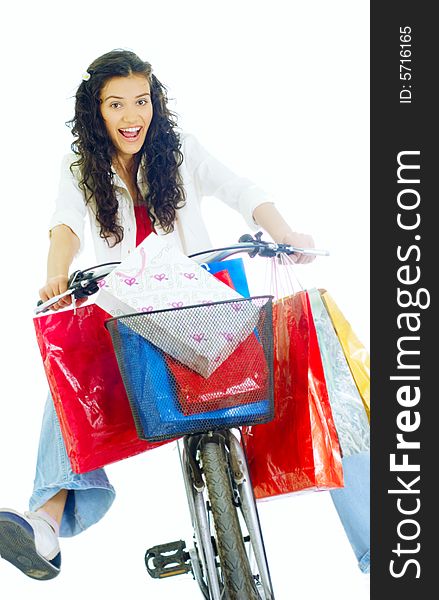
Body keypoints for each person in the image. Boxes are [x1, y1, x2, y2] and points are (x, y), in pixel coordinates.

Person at [0, 49, 315, 580]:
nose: (132, 116)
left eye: (142, 101)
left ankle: (381, 535)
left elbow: (239, 190)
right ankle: (45, 524)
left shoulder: (182, 151)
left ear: (155, 103)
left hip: (202, 310)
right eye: (117, 104)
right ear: (95, 111)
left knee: (314, 351)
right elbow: (65, 224)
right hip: (131, 319)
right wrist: (56, 274)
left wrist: (284, 232)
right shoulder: (82, 168)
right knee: (70, 376)